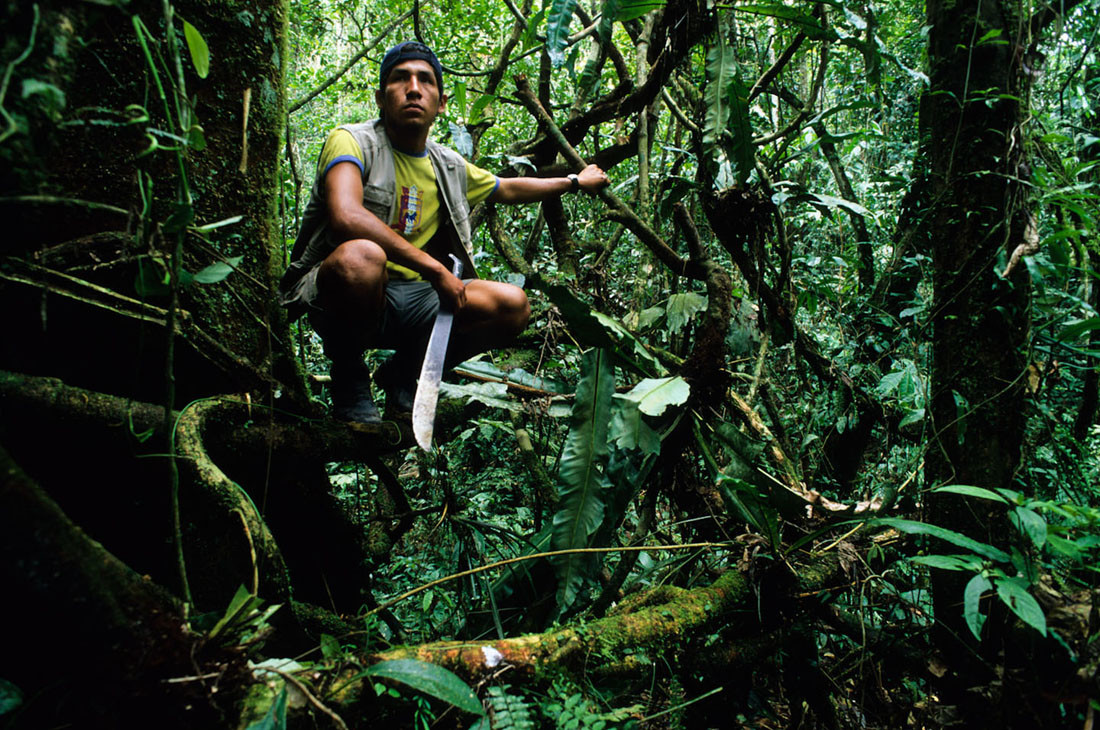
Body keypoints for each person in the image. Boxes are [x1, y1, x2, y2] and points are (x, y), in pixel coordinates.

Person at [279, 41, 610, 423]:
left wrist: (573, 180)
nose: (414, 88)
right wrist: (436, 271)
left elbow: (509, 188)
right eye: (401, 78)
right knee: (362, 257)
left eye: (425, 80)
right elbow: (346, 216)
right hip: (348, 296)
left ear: (442, 103)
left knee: (513, 304)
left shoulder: (447, 164)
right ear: (380, 98)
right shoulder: (353, 140)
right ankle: (349, 375)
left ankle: (406, 373)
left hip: (417, 302)